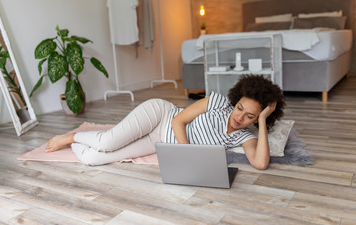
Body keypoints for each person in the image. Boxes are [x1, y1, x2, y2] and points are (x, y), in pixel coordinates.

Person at [46, 74, 285, 170]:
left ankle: (80, 142)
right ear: (235, 100)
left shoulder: (245, 136)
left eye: (250, 116)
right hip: (161, 115)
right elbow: (179, 120)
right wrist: (187, 154)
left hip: (158, 141)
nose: (239, 117)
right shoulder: (218, 102)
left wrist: (263, 121)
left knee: (93, 158)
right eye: (239, 108)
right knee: (107, 142)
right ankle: (71, 136)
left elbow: (260, 163)